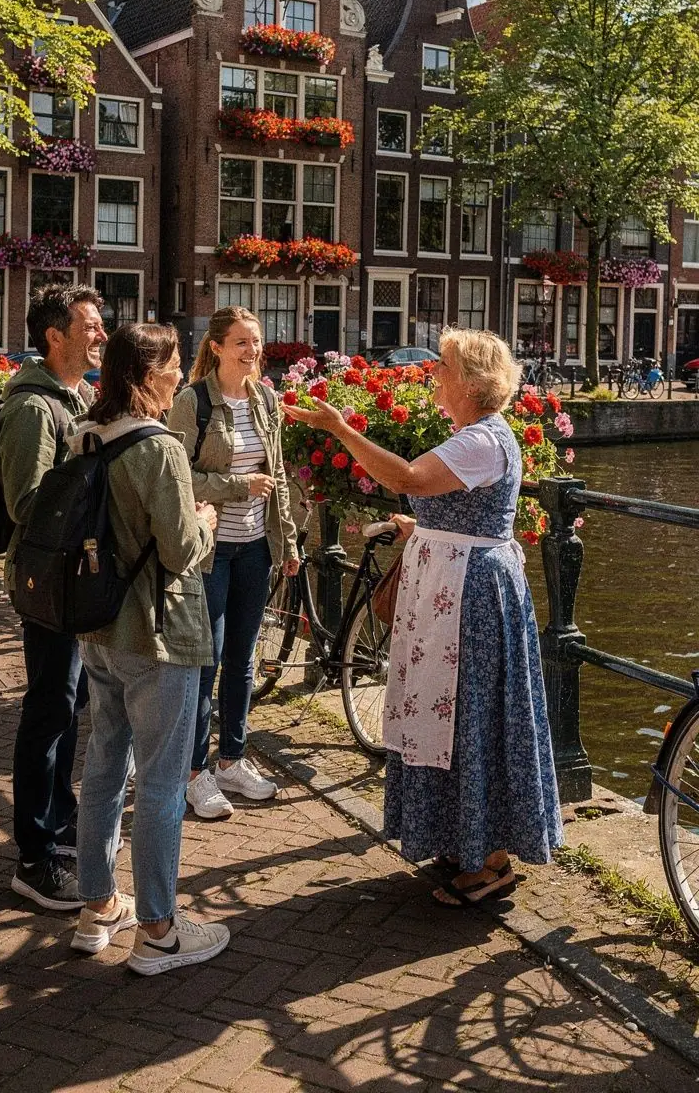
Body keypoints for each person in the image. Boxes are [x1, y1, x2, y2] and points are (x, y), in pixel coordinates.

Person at [284, 327, 563, 906]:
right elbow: (458, 507)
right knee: (461, 715)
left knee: (472, 714)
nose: (434, 375)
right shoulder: (475, 438)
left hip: (471, 594)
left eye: (444, 368)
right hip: (456, 583)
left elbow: (407, 478)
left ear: (472, 382)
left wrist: (341, 429)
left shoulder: (483, 441)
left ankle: (491, 860)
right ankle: (468, 840)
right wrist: (425, 528)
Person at [68, 322, 230, 975]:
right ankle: (159, 929)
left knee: (106, 767)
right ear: (148, 374)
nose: (180, 378)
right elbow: (179, 551)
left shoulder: (86, 433)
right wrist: (207, 521)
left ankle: (98, 905)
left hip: (97, 628)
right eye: (171, 368)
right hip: (158, 636)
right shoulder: (159, 447)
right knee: (162, 783)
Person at [0, 283, 106, 911]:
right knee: (48, 708)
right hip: (47, 582)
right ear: (54, 336)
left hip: (74, 581)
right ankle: (34, 857)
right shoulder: (35, 409)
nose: (100, 334)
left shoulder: (78, 395)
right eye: (89, 326)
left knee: (71, 700)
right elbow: (26, 502)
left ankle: (61, 818)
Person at [168, 306, 299, 820]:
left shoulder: (266, 399)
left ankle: (233, 760)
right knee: (207, 658)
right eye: (242, 343)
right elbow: (175, 479)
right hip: (211, 550)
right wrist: (236, 487)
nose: (252, 351)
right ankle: (194, 772)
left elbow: (280, 474)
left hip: (255, 548)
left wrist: (286, 543)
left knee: (244, 659)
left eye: (257, 341)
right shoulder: (191, 402)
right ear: (217, 347)